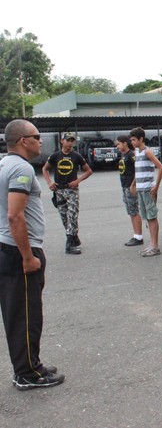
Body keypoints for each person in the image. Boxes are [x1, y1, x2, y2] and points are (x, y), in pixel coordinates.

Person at [0, 119, 65, 390]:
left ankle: (30, 364)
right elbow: (16, 216)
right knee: (26, 313)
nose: (40, 141)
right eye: (36, 136)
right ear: (23, 140)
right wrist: (28, 257)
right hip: (18, 250)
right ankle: (28, 373)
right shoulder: (21, 168)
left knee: (17, 312)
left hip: (7, 247)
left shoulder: (4, 164)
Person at [42, 131, 93, 255]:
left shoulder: (76, 156)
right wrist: (49, 183)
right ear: (62, 141)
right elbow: (45, 169)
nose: (70, 143)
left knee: (73, 215)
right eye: (67, 140)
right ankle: (74, 237)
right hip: (59, 190)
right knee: (64, 217)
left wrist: (78, 180)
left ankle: (69, 244)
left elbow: (88, 171)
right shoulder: (55, 156)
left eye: (72, 141)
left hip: (72, 190)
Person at [129, 127, 162, 257]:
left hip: (148, 189)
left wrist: (156, 187)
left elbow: (161, 167)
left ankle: (155, 246)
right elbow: (137, 171)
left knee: (152, 217)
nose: (132, 142)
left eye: (133, 139)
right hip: (140, 189)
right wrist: (133, 184)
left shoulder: (147, 152)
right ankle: (151, 244)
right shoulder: (137, 152)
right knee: (147, 218)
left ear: (141, 139)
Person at [115, 135, 143, 247]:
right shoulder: (123, 155)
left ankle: (139, 236)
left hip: (130, 186)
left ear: (124, 143)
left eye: (118, 144)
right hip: (125, 186)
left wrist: (133, 185)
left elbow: (138, 170)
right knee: (130, 211)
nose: (117, 146)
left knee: (134, 211)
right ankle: (136, 235)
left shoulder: (131, 155)